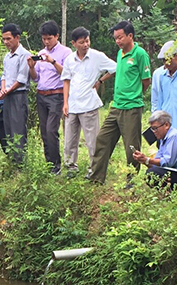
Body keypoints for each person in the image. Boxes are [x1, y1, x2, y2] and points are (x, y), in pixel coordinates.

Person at [88, 21, 151, 184]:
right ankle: (96, 178)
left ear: (130, 36)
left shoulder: (140, 54)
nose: (117, 41)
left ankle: (132, 181)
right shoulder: (120, 53)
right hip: (116, 106)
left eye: (120, 37)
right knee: (102, 139)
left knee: (131, 147)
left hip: (132, 107)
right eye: (115, 38)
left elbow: (146, 81)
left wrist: (135, 95)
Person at [61, 26, 117, 177]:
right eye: (81, 42)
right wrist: (65, 103)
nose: (85, 44)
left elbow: (115, 68)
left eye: (87, 41)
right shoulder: (69, 60)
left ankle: (94, 169)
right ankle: (70, 167)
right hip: (72, 105)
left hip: (89, 105)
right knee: (69, 141)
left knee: (92, 141)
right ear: (74, 43)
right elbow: (66, 81)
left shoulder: (97, 56)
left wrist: (100, 80)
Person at [27, 20, 72, 175]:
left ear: (57, 36)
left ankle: (56, 165)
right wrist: (32, 67)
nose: (46, 42)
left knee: (51, 130)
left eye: (49, 38)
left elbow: (67, 73)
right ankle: (49, 164)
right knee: (44, 132)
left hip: (56, 95)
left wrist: (52, 61)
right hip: (41, 95)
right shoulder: (40, 53)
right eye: (44, 39)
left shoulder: (65, 52)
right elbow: (35, 78)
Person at [133, 110, 177, 188]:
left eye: (155, 128)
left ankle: (171, 192)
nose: (154, 132)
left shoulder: (174, 136)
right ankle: (168, 192)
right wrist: (144, 161)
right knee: (152, 173)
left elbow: (167, 162)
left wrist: (148, 160)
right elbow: (157, 164)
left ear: (166, 125)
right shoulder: (163, 139)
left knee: (152, 174)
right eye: (152, 129)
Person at [0, 23, 31, 165]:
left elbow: (21, 79)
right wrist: (3, 90)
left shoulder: (24, 55)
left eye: (8, 39)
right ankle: (12, 162)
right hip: (8, 96)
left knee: (18, 130)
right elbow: (4, 75)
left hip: (18, 95)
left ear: (17, 37)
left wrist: (7, 91)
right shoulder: (7, 56)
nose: (6, 42)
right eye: (4, 39)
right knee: (8, 129)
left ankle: (21, 163)